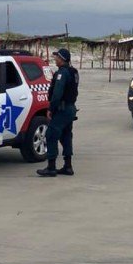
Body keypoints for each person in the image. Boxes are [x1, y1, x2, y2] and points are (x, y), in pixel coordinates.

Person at [37, 48, 79, 177]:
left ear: (62, 59)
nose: (55, 59)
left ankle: (51, 167)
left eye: (57, 57)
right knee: (66, 135)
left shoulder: (62, 74)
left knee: (51, 135)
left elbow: (57, 94)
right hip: (70, 108)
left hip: (62, 109)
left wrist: (51, 109)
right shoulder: (73, 72)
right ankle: (68, 166)